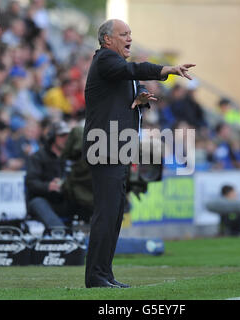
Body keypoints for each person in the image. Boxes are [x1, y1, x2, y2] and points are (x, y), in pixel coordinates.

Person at [82, 19, 195, 288]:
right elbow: (134, 70)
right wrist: (166, 69)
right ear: (107, 40)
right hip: (104, 148)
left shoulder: (115, 66)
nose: (129, 38)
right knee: (106, 214)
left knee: (115, 214)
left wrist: (142, 93)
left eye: (130, 33)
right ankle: (96, 276)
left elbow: (133, 83)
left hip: (117, 148)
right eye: (123, 34)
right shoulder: (106, 60)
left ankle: (105, 274)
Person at [25, 121, 90, 228]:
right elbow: (31, 182)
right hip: (45, 200)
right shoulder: (38, 157)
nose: (66, 139)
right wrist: (48, 186)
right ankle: (60, 232)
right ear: (52, 137)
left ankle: (93, 235)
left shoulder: (74, 157)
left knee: (86, 199)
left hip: (65, 200)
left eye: (68, 136)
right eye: (62, 136)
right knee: (37, 203)